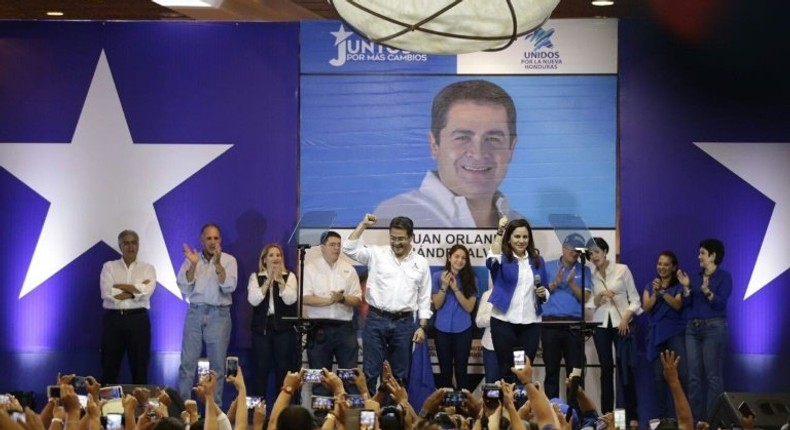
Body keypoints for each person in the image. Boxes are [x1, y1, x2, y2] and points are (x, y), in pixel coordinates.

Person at [374, 80, 523, 228]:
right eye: (462, 138)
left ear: (511, 148)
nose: (478, 153)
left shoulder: (519, 225)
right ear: (434, 145)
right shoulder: (394, 217)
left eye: (492, 139)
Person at [342, 214, 432, 394]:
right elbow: (349, 249)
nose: (396, 243)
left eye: (401, 239)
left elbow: (424, 297)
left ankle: (393, 418)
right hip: (376, 320)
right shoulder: (377, 254)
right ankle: (369, 416)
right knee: (370, 372)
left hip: (404, 324)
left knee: (399, 375)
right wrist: (363, 225)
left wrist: (422, 326)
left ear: (411, 237)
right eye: (393, 238)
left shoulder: (421, 263)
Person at [176, 223, 238, 405]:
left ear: (221, 240)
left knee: (217, 366)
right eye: (209, 238)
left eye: (216, 238)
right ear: (202, 240)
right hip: (195, 312)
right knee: (187, 364)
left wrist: (217, 264)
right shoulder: (192, 259)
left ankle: (215, 411)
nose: (212, 242)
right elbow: (184, 287)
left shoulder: (229, 260)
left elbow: (229, 286)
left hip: (219, 314)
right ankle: (183, 411)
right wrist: (194, 265)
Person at [587, 236, 642, 429]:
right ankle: (606, 416)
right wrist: (601, 295)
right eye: (591, 253)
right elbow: (589, 303)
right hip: (601, 326)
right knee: (605, 371)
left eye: (597, 252)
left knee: (626, 371)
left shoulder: (622, 270)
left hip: (622, 325)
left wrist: (626, 317)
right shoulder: (591, 275)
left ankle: (632, 416)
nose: (594, 256)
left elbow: (635, 300)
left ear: (605, 251)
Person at [486, 216, 549, 382]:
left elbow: (546, 287)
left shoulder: (537, 260)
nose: (521, 241)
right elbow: (492, 255)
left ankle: (521, 406)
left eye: (525, 237)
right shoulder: (502, 259)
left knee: (521, 371)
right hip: (504, 323)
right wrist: (500, 231)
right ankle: (508, 407)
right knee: (507, 370)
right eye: (517, 236)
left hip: (529, 325)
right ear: (509, 238)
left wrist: (544, 293)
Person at [678, 238, 732, 422]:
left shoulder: (724, 277)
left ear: (713, 256)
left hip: (714, 328)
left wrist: (708, 292)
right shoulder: (694, 276)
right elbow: (686, 304)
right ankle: (694, 422)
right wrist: (686, 289)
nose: (698, 256)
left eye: (702, 253)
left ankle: (711, 422)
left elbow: (721, 303)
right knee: (693, 378)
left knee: (713, 377)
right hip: (692, 329)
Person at [303, 231, 362, 395]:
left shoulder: (348, 269)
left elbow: (357, 299)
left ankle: (349, 417)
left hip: (345, 328)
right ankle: (322, 418)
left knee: (350, 375)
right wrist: (329, 301)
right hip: (318, 327)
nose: (336, 248)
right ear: (322, 247)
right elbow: (305, 298)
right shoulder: (310, 268)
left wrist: (342, 299)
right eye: (332, 245)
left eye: (338, 245)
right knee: (320, 377)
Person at [99, 229, 157, 384]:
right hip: (113, 320)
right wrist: (136, 289)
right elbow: (107, 293)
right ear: (120, 246)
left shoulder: (148, 268)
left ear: (138, 246)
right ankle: (106, 407)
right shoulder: (109, 267)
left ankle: (140, 407)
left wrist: (119, 288)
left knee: (140, 368)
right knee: (109, 368)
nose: (130, 247)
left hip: (138, 320)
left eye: (134, 243)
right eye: (126, 243)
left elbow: (147, 292)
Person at [540, 233, 592, 399]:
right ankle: (552, 413)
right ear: (563, 248)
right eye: (570, 248)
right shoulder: (547, 266)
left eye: (577, 249)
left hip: (575, 326)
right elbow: (539, 294)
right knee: (551, 371)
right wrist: (555, 283)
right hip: (550, 325)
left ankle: (575, 414)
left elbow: (585, 297)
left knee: (575, 373)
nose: (574, 252)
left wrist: (571, 284)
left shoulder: (584, 269)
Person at [248, 243, 298, 403]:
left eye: (278, 255)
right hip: (262, 329)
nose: (275, 258)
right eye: (271, 255)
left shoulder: (289, 276)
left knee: (283, 371)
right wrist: (267, 282)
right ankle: (257, 411)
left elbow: (291, 299)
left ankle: (282, 412)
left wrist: (280, 282)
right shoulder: (255, 277)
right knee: (260, 370)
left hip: (284, 329)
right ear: (264, 260)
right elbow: (253, 300)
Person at [642, 251, 687, 419]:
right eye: (660, 263)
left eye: (666, 264)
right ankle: (663, 419)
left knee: (680, 376)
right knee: (658, 378)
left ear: (674, 267)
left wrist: (663, 292)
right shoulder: (649, 285)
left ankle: (682, 418)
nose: (662, 267)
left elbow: (677, 305)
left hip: (674, 333)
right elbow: (646, 308)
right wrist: (655, 293)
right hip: (656, 336)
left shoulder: (679, 286)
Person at [431, 244, 478, 390]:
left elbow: (469, 307)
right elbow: (437, 305)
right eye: (457, 256)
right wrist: (444, 286)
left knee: (461, 371)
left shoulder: (472, 279)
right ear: (449, 257)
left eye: (464, 258)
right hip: (442, 329)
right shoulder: (437, 277)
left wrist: (456, 289)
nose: (460, 260)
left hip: (463, 330)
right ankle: (446, 408)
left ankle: (463, 408)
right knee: (445, 371)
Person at [474, 288, 499, 383]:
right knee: (491, 387)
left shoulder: (518, 294)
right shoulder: (487, 295)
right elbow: (479, 322)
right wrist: (494, 318)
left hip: (513, 347)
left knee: (513, 385)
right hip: (491, 347)